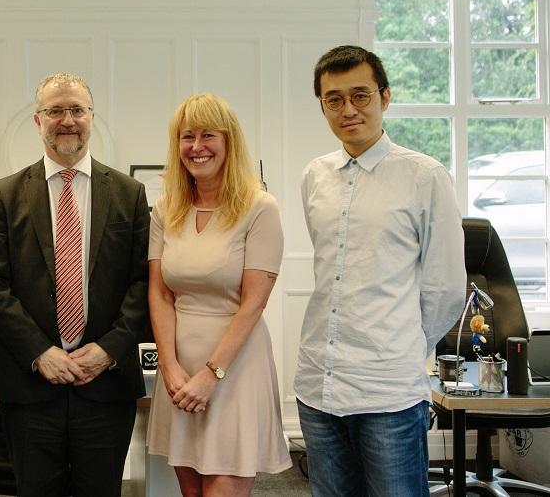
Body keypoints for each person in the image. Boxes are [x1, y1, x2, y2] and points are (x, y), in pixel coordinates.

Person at [296, 45, 465, 496]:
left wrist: (402, 346)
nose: (348, 109)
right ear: (323, 106)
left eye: (360, 95)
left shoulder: (424, 176)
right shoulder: (315, 175)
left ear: (384, 97)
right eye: (334, 99)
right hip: (319, 384)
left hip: (387, 391)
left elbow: (445, 287)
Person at [0, 72, 150, 497]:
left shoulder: (130, 193)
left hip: (106, 385)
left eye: (76, 109)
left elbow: (144, 281)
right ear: (39, 121)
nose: (67, 119)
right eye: (55, 111)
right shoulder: (6, 194)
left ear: (92, 117)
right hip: (32, 385)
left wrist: (109, 349)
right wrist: (40, 352)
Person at [147, 93, 291, 497]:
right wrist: (170, 367)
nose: (196, 147)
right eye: (186, 136)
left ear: (229, 142)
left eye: (208, 135)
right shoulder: (166, 209)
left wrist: (212, 375)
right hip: (178, 371)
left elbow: (254, 302)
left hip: (234, 370)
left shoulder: (260, 208)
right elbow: (159, 293)